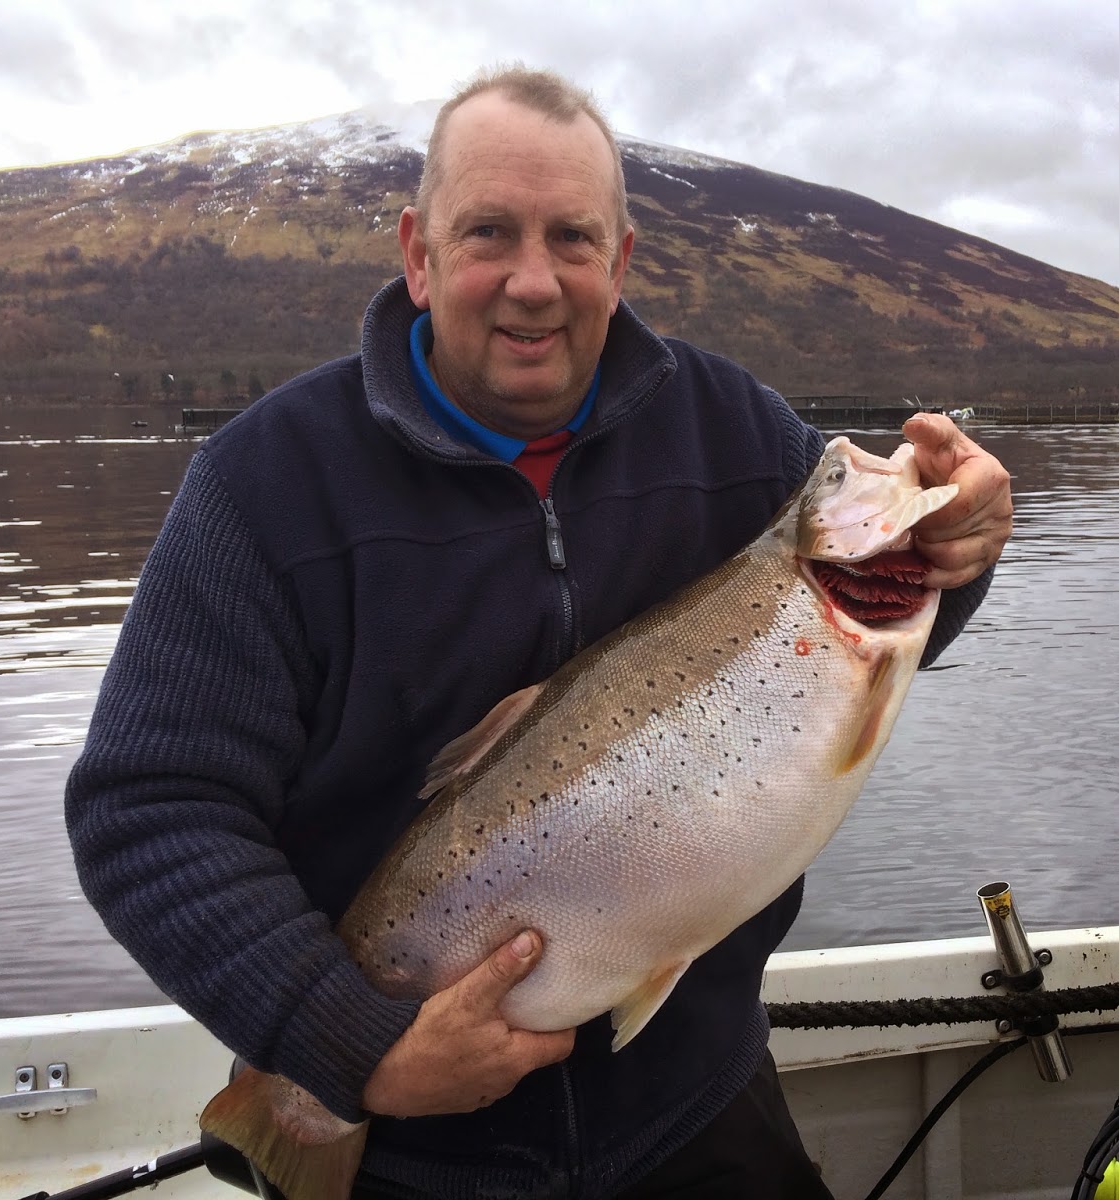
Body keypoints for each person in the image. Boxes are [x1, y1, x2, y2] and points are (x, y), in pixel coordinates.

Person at [65, 66, 1012, 1200]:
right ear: (417, 254)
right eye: (488, 234)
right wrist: (349, 1042)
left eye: (572, 238)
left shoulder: (740, 432)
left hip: (697, 1105)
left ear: (619, 261)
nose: (531, 282)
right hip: (413, 1162)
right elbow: (147, 808)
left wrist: (958, 551)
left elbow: (844, 654)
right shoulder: (264, 486)